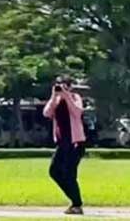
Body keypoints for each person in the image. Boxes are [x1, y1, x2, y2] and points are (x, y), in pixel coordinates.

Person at [43, 76, 86, 215]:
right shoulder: (56, 100)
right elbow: (46, 113)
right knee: (54, 171)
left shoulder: (75, 97)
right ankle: (75, 201)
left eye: (64, 85)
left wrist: (67, 96)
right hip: (62, 143)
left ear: (70, 86)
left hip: (75, 142)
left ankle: (77, 204)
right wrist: (53, 96)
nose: (61, 87)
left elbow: (77, 112)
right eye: (58, 84)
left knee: (69, 174)